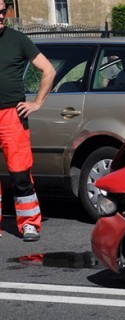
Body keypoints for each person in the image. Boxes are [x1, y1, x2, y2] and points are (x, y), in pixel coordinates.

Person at [0, 1, 56, 241]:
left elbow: (49, 70)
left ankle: (30, 224)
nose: (1, 16)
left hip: (12, 115)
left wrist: (37, 103)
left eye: (3, 11)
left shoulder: (17, 39)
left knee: (20, 173)